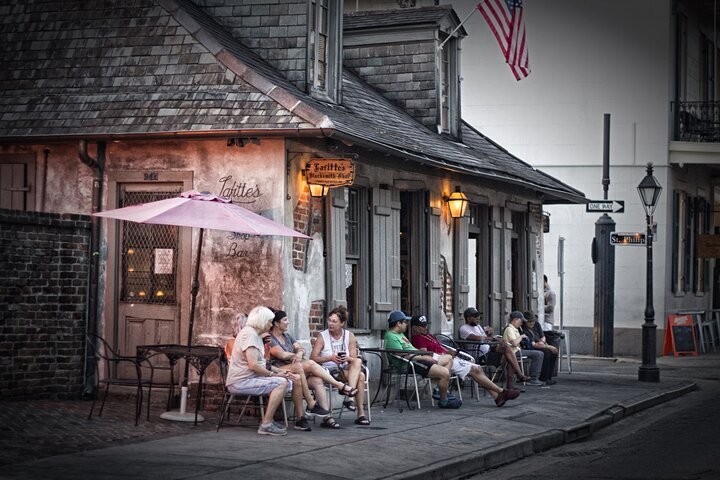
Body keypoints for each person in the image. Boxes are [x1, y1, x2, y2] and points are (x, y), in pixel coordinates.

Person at [267, 308, 358, 430]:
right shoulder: (270, 338)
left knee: (316, 380)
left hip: (297, 370)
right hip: (280, 369)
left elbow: (300, 348)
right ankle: (340, 386)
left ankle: (326, 417)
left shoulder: (287, 336)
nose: (288, 322)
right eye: (285, 319)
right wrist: (296, 354)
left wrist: (299, 353)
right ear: (277, 323)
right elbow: (281, 354)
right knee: (308, 364)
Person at [409, 314, 519, 407]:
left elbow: (439, 347)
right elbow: (425, 353)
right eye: (422, 326)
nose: (425, 328)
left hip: (449, 357)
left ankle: (497, 397)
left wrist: (449, 351)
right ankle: (502, 392)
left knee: (478, 369)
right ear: (414, 327)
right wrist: (446, 353)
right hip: (441, 361)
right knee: (475, 370)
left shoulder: (429, 335)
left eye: (425, 325)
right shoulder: (417, 338)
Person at [225, 306, 295, 436]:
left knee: (285, 381)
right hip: (241, 382)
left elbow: (262, 364)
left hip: (249, 379)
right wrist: (274, 375)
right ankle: (266, 424)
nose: (270, 325)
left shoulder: (254, 334)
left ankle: (269, 420)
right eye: (269, 321)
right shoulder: (250, 335)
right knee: (281, 383)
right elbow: (253, 365)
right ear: (262, 321)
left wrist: (280, 372)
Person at [383, 310, 462, 409]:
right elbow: (403, 355)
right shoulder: (391, 336)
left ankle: (438, 388)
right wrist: (424, 357)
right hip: (410, 363)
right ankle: (443, 400)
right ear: (398, 323)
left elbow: (411, 349)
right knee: (445, 373)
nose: (407, 325)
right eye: (405, 322)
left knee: (449, 358)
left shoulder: (400, 334)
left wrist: (425, 356)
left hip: (418, 359)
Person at [310, 305, 370, 426]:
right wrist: (330, 357)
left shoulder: (349, 336)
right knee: (361, 377)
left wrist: (347, 358)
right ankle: (357, 407)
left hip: (343, 369)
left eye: (334, 321)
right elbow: (313, 358)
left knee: (358, 362)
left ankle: (353, 403)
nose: (330, 323)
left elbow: (353, 359)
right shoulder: (323, 336)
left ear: (342, 323)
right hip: (328, 371)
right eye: (329, 320)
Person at [459, 307, 528, 390]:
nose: (478, 319)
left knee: (507, 348)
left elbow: (485, 338)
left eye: (478, 317)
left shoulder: (478, 326)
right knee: (509, 357)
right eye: (475, 317)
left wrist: (489, 335)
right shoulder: (464, 328)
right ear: (468, 318)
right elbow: (477, 338)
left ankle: (517, 378)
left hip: (489, 350)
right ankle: (515, 381)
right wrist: (494, 338)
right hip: (479, 355)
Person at [502, 311, 546, 386]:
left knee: (539, 353)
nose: (521, 323)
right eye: (520, 321)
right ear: (515, 320)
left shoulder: (515, 329)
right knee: (539, 354)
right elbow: (514, 343)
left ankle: (532, 377)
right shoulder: (509, 329)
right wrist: (521, 336)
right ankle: (533, 378)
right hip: (513, 351)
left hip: (517, 350)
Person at [522, 311, 559, 385]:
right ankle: (543, 377)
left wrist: (543, 341)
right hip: (532, 346)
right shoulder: (524, 329)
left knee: (554, 353)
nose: (532, 323)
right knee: (546, 352)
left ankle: (549, 376)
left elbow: (542, 335)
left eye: (533, 321)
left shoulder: (537, 324)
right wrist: (548, 346)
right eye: (529, 321)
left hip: (541, 343)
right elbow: (534, 345)